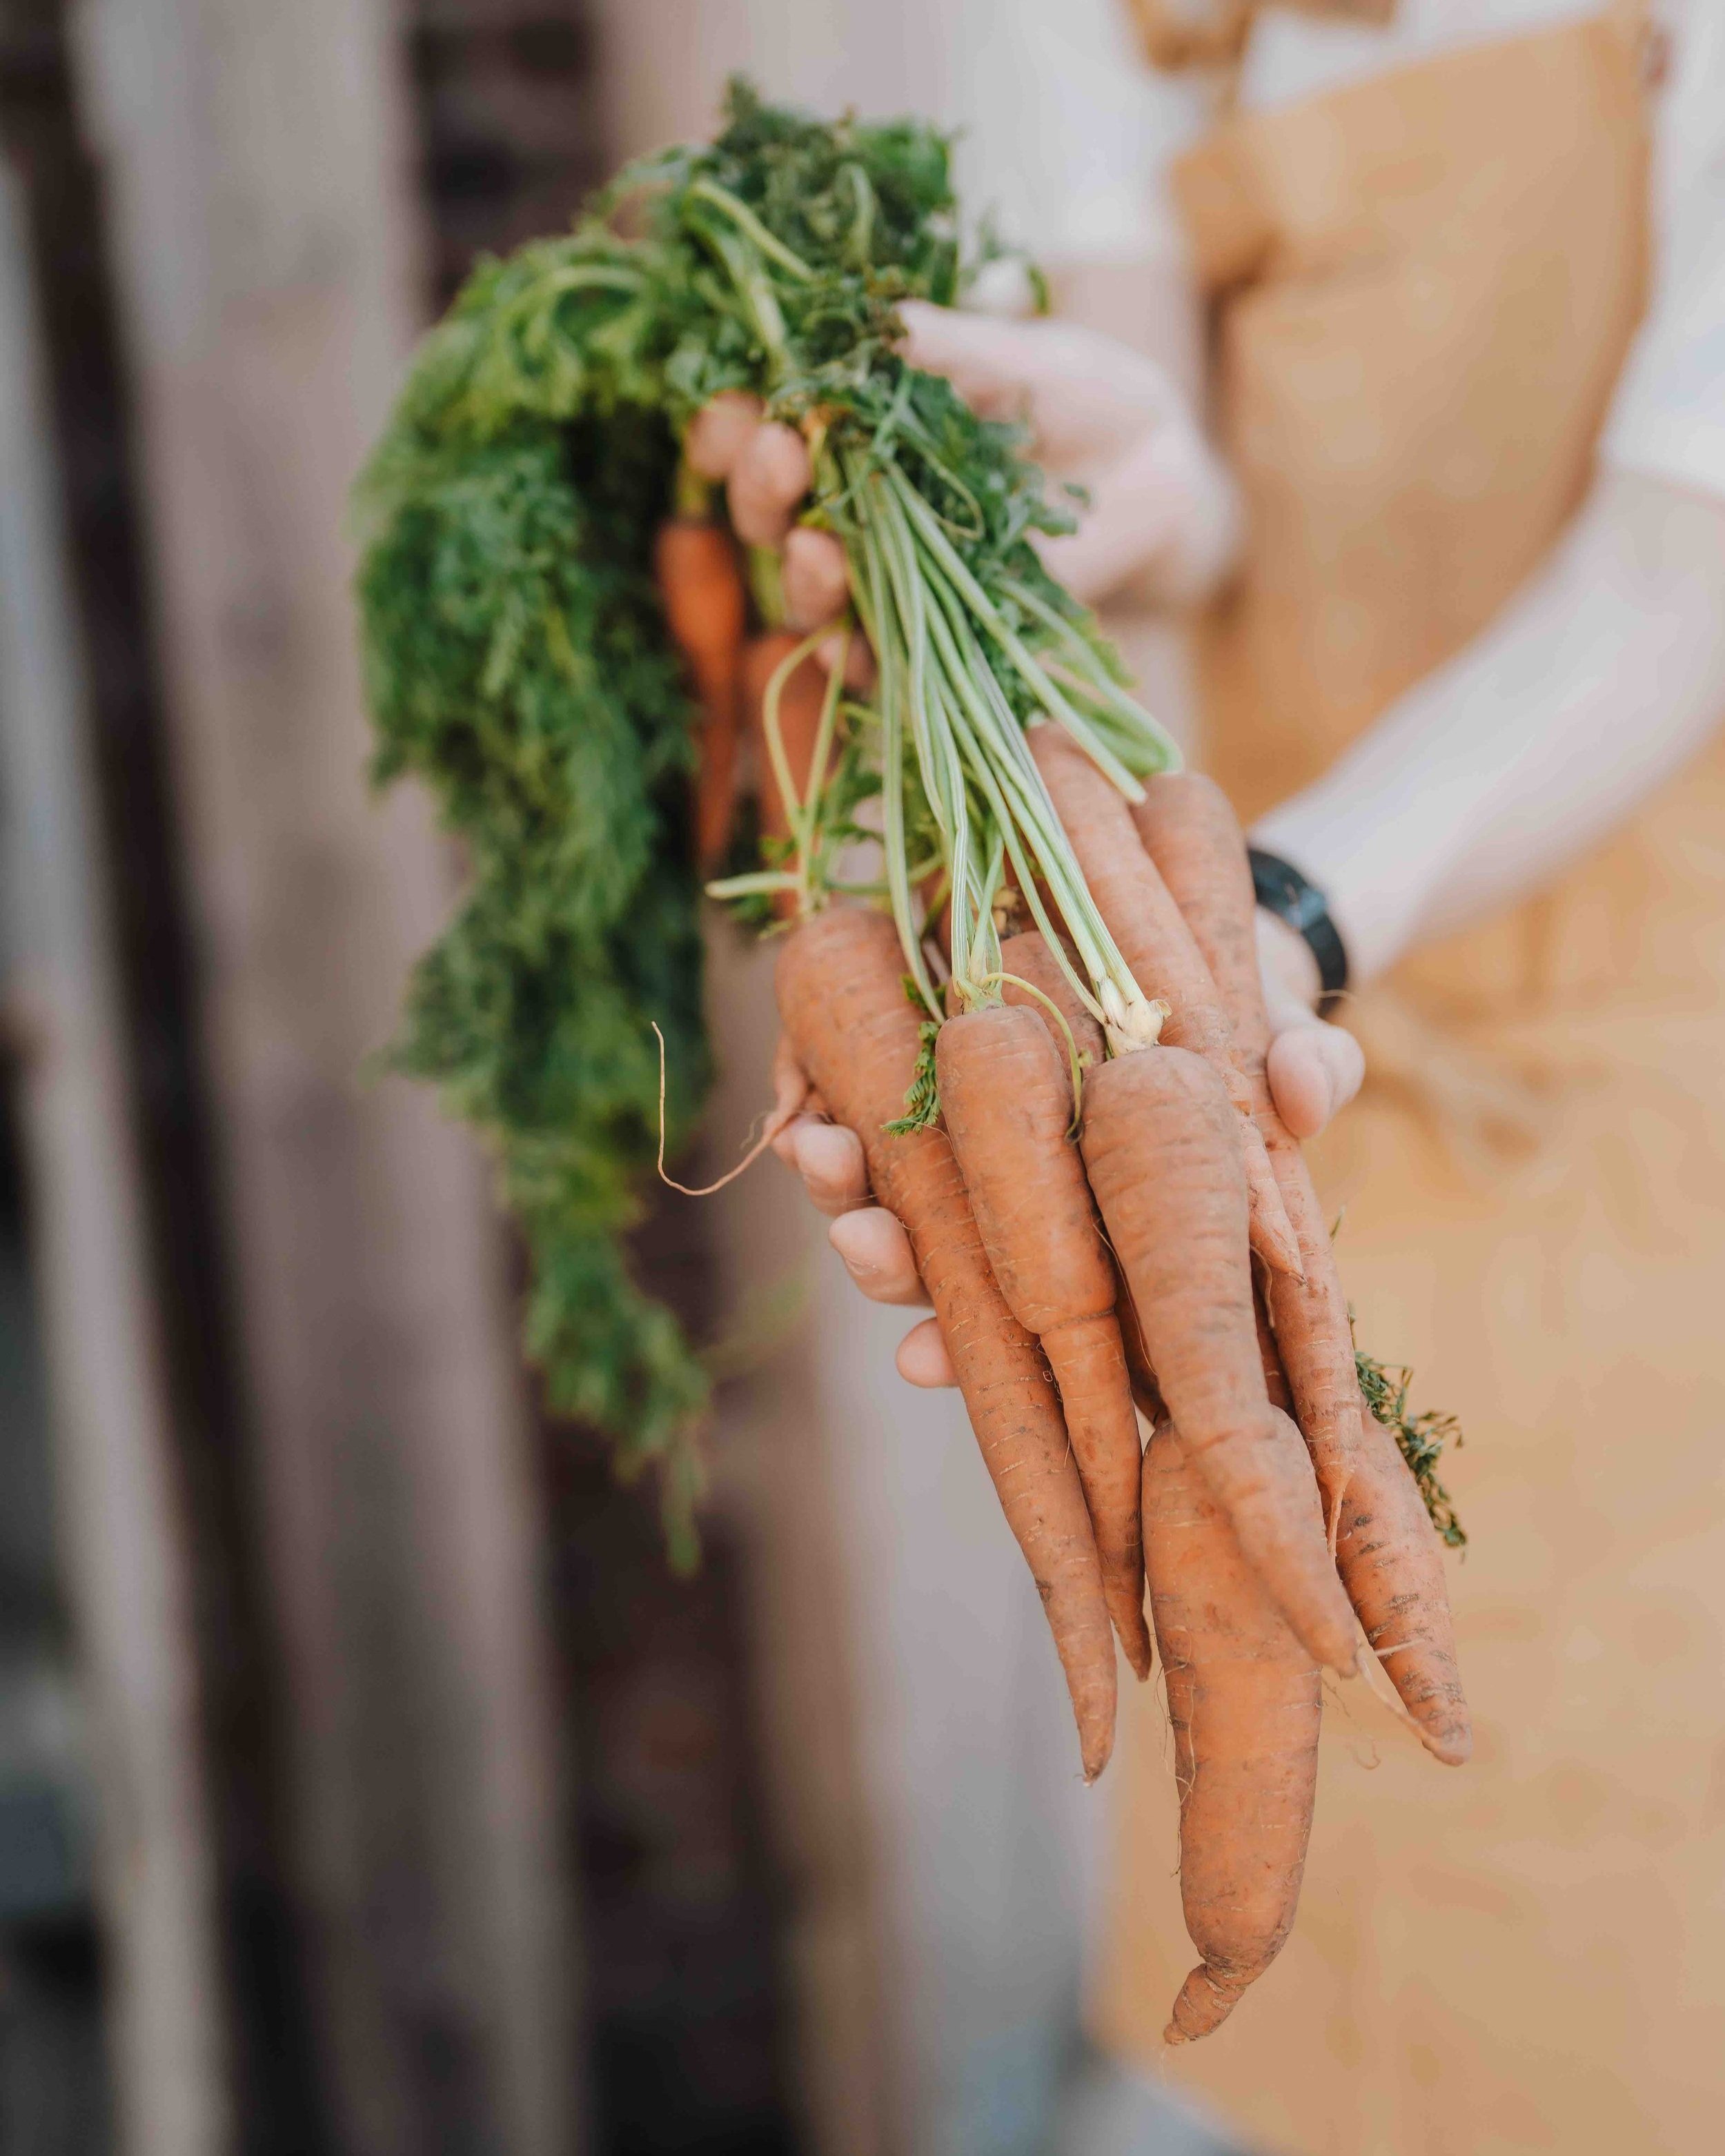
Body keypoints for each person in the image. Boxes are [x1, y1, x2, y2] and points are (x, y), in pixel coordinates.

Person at [705, 1, 1725, 2148]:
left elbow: (1678, 565)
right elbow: (1181, 465)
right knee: (1298, 1863)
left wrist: (1269, 913)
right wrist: (1117, 484)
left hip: (1631, 1072)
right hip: (1268, 1129)